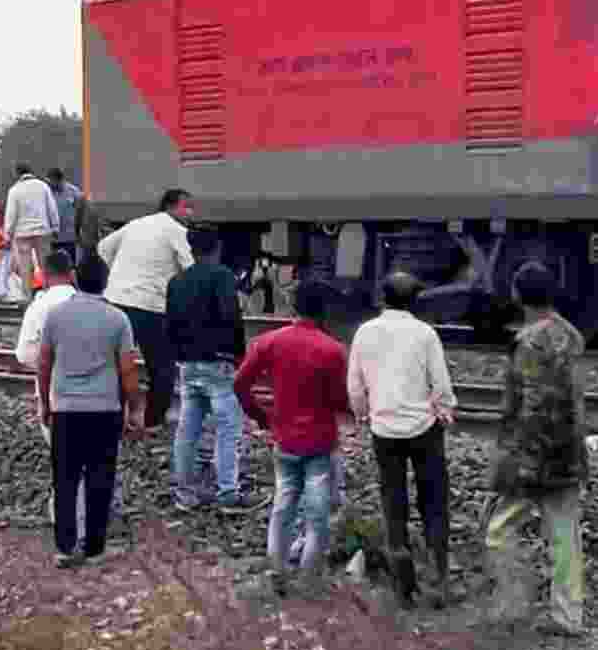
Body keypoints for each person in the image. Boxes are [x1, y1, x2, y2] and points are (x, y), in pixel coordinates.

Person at [484, 262, 588, 637]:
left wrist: (510, 459)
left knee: (498, 530)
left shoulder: (526, 342)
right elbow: (576, 402)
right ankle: (568, 615)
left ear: (517, 295)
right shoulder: (573, 336)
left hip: (532, 457)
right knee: (565, 537)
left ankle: (513, 605)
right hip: (568, 455)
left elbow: (524, 407)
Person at [345, 272, 456, 608]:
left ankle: (403, 587)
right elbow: (441, 384)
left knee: (394, 503)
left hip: (385, 431)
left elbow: (354, 386)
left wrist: (364, 415)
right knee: (434, 501)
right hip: (424, 429)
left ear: (384, 299)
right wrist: (445, 410)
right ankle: (438, 578)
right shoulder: (425, 334)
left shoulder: (364, 333)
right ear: (414, 302)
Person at [234, 281, 349, 590]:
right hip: (320, 441)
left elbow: (240, 384)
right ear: (324, 310)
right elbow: (341, 401)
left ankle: (277, 571)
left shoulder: (268, 342)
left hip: (284, 438)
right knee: (318, 512)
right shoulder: (333, 350)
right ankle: (310, 578)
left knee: (283, 504)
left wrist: (261, 417)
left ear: (293, 307)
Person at [37, 255, 142, 568]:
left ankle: (65, 548)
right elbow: (128, 370)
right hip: (104, 410)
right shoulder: (118, 319)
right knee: (100, 478)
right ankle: (95, 549)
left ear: (75, 279)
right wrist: (133, 408)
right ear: (105, 282)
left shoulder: (55, 316)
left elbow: (44, 364)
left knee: (65, 479)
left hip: (66, 410)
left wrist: (46, 403)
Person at [167, 227, 252, 512]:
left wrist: (181, 355)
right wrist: (238, 354)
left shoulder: (176, 281)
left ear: (191, 250)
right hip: (218, 364)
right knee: (228, 428)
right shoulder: (223, 276)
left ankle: (184, 493)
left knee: (187, 429)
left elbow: (171, 325)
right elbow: (231, 317)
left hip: (187, 365)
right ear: (216, 248)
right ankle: (228, 493)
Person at [98, 188, 195, 428]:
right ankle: (153, 421)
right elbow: (191, 268)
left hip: (116, 300)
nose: (190, 212)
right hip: (150, 305)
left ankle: (115, 421)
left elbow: (102, 248)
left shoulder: (136, 224)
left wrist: (118, 276)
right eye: (187, 207)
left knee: (115, 365)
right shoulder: (177, 231)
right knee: (162, 367)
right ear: (171, 207)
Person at [16, 251, 85, 528]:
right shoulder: (89, 303)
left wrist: (50, 361)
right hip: (95, 395)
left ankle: (65, 515)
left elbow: (23, 354)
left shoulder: (39, 306)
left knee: (64, 458)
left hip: (53, 393)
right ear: (72, 273)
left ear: (44, 275)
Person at [2, 163, 60, 300]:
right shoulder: (43, 186)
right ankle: (48, 294)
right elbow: (52, 208)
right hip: (42, 232)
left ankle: (27, 297)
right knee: (45, 265)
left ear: (17, 174)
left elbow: (11, 214)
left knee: (25, 268)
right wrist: (55, 227)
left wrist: (8, 234)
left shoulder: (15, 190)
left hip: (22, 234)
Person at [47, 168, 86, 265]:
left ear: (58, 180)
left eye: (51, 181)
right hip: (51, 238)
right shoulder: (47, 192)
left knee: (69, 265)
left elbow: (81, 210)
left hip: (69, 237)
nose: (49, 183)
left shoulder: (73, 191)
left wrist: (78, 230)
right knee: (53, 266)